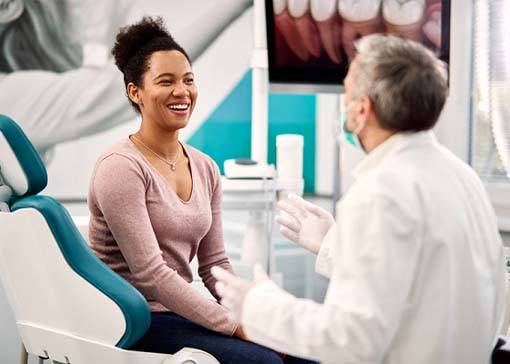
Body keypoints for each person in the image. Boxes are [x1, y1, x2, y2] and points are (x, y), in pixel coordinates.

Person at [212, 34, 508, 364]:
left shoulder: (379, 192)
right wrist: (332, 244)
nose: (344, 103)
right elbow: (423, 284)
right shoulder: (463, 177)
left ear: (362, 109)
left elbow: (350, 338)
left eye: (347, 92)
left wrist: (259, 306)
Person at [87, 16, 316, 364]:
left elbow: (214, 264)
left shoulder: (205, 166)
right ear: (135, 92)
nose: (182, 92)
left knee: (305, 355)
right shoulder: (120, 168)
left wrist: (250, 311)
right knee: (264, 362)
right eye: (166, 81)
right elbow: (152, 274)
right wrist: (235, 325)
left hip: (179, 312)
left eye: (188, 80)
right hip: (133, 320)